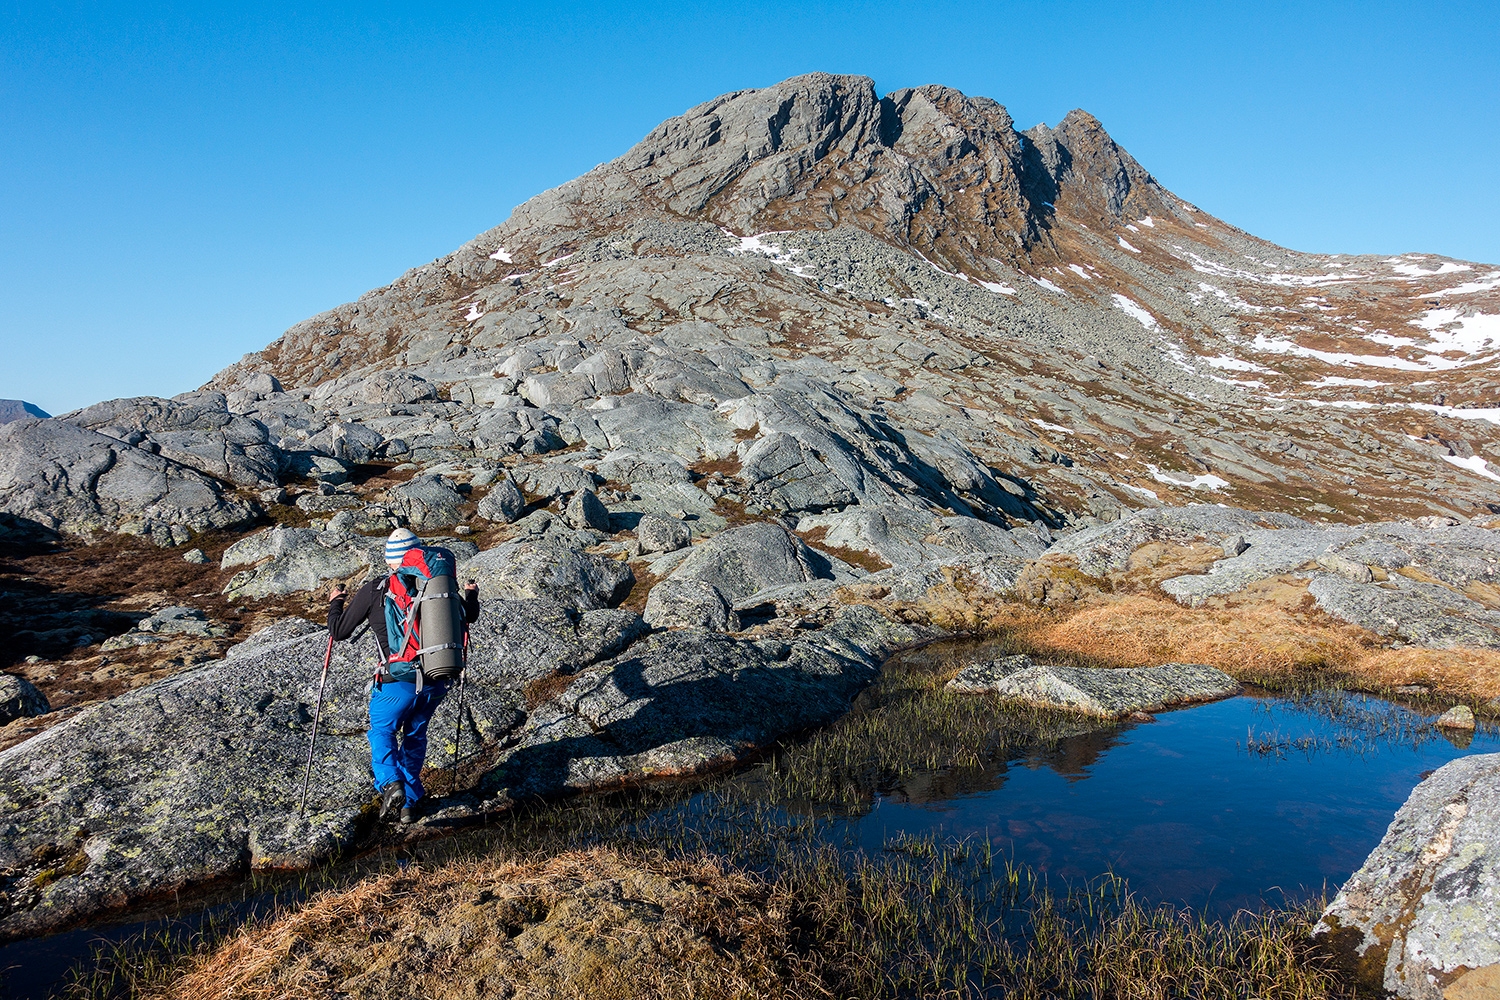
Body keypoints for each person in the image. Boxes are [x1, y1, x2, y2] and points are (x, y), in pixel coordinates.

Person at [327, 528, 480, 824]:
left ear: (389, 559)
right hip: (436, 679)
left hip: (397, 681)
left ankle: (391, 784)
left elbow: (339, 631)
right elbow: (469, 616)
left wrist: (335, 602)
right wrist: (471, 594)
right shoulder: (436, 585)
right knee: (414, 735)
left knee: (382, 731)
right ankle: (409, 804)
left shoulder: (376, 589)